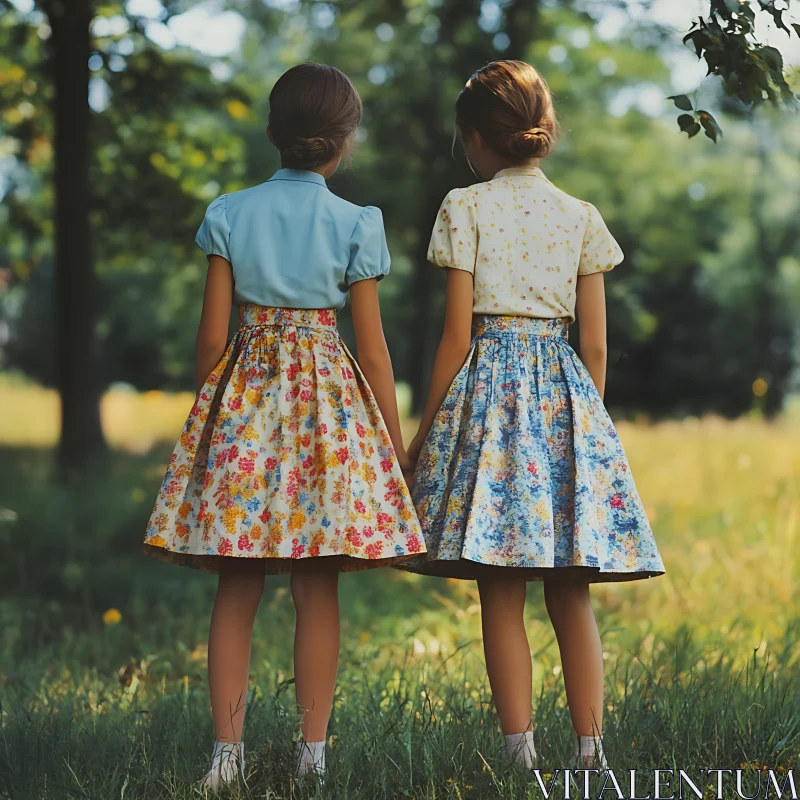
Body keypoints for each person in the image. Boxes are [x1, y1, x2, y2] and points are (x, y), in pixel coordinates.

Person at [143, 62, 424, 789]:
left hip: (246, 401)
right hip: (326, 413)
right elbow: (372, 349)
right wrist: (390, 446)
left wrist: (215, 414)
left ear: (273, 132)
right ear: (345, 140)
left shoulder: (229, 213)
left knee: (236, 585)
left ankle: (226, 757)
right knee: (316, 585)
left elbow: (210, 340)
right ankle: (313, 757)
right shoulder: (357, 224)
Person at [405, 60, 664, 771]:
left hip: (490, 400)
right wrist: (591, 429)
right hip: (564, 397)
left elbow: (457, 339)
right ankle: (590, 751)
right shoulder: (581, 217)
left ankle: (519, 753)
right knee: (570, 587)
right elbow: (598, 342)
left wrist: (422, 436)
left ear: (476, 141)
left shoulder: (465, 207)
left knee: (501, 585)